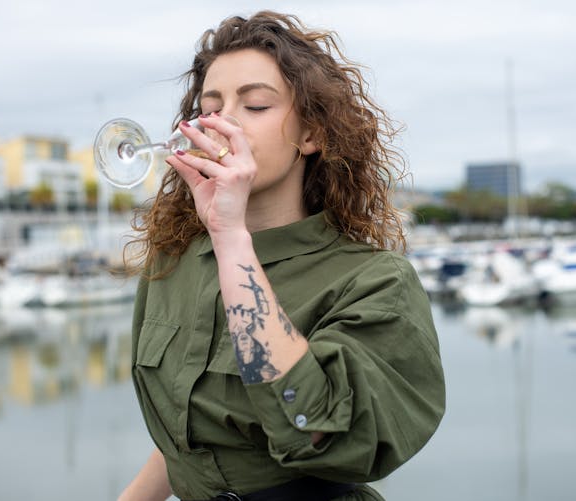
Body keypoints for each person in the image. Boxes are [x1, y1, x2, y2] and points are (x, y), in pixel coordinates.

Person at [119, 11, 445, 501]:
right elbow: (189, 440)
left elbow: (317, 430)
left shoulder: (376, 281)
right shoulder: (175, 263)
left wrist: (231, 235)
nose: (222, 121)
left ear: (311, 135)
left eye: (254, 105)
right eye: (210, 106)